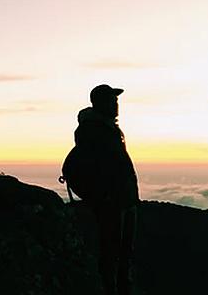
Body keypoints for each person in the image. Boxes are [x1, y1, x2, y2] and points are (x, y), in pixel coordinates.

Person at [74, 84, 139, 295]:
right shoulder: (91, 131)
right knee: (112, 251)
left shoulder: (108, 128)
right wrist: (107, 196)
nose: (116, 104)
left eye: (116, 100)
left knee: (122, 251)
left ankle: (120, 288)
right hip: (112, 202)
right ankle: (111, 289)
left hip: (123, 200)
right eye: (112, 100)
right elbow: (103, 167)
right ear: (100, 103)